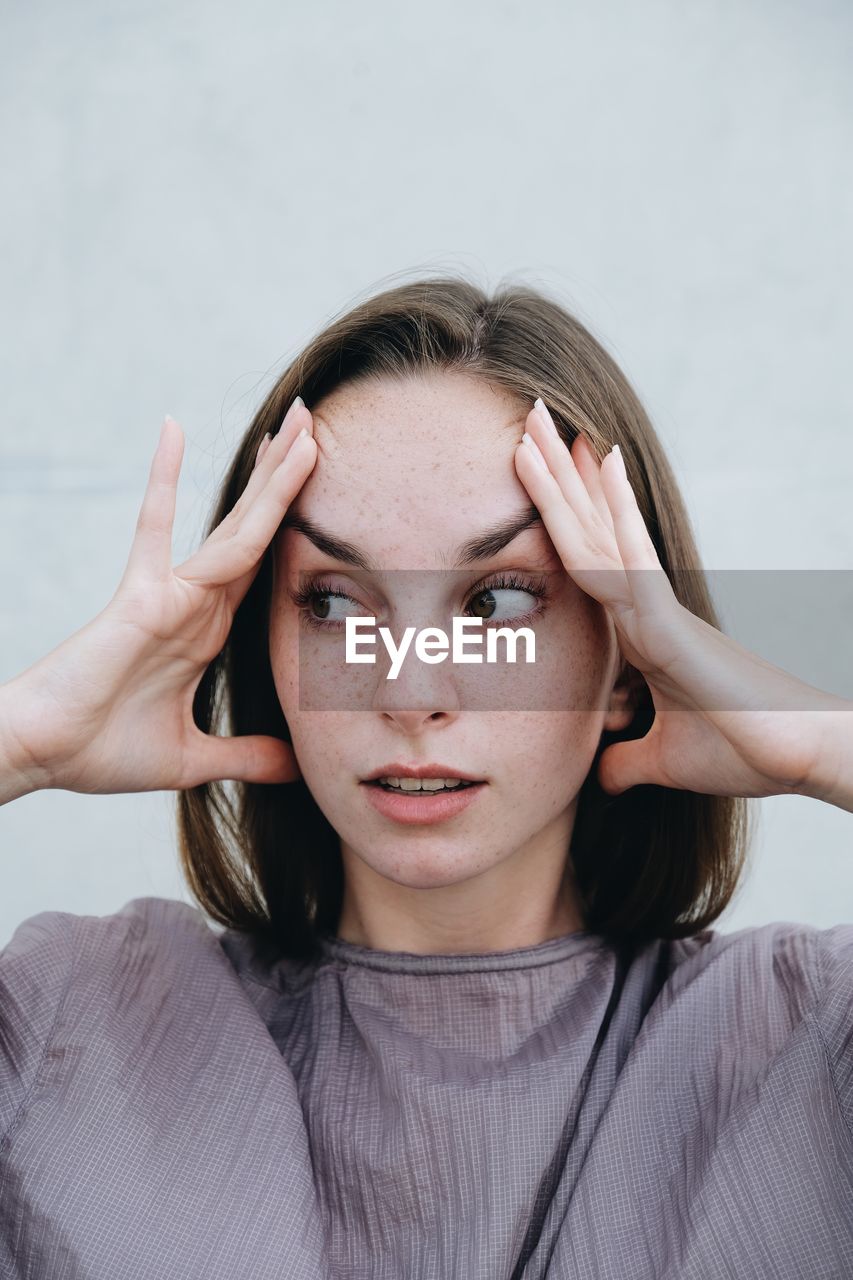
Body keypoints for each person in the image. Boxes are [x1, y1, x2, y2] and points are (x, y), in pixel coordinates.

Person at [0, 276, 851, 1279]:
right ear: (259, 645)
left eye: (496, 600)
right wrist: (20, 740)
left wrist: (821, 740)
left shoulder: (810, 1046)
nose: (408, 691)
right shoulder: (66, 1023)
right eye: (331, 601)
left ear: (629, 653)